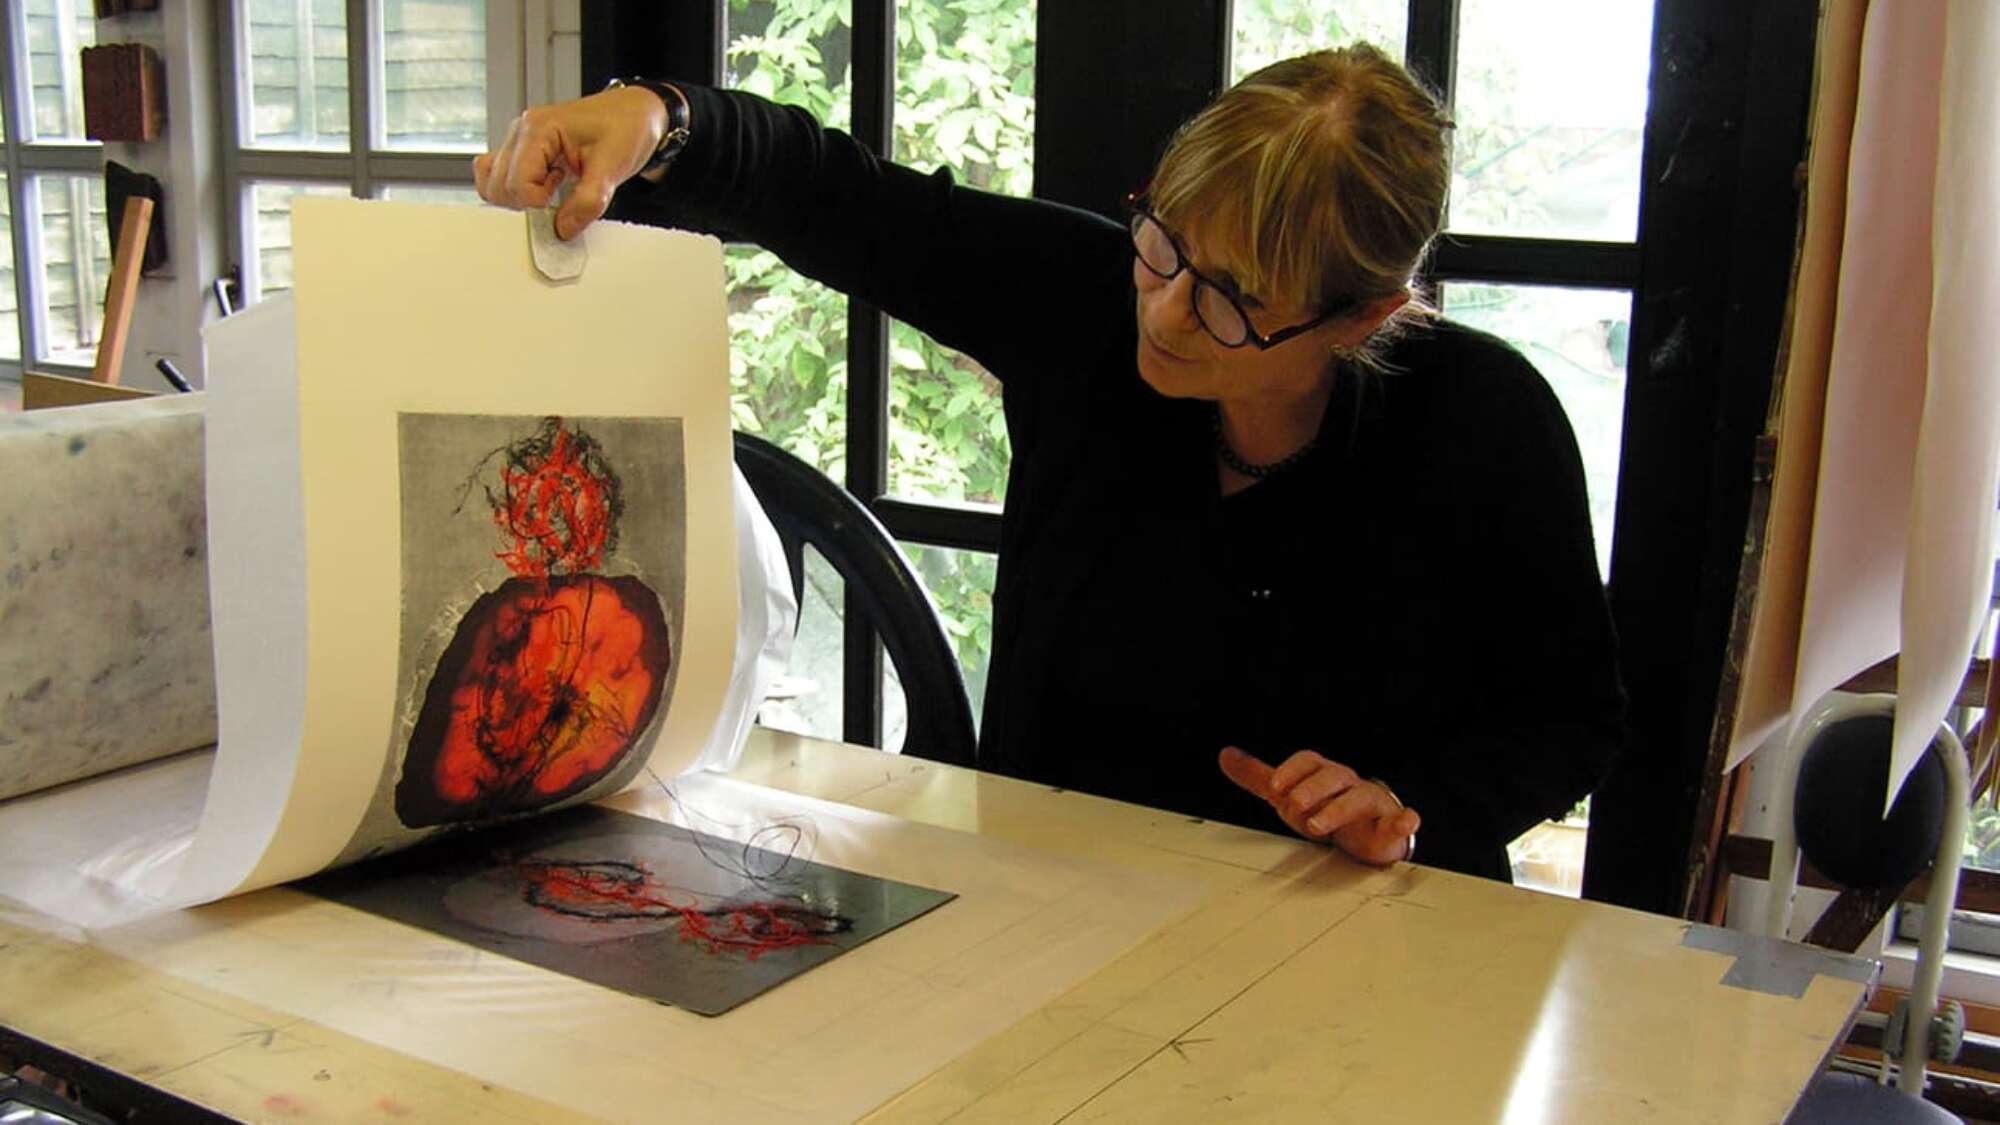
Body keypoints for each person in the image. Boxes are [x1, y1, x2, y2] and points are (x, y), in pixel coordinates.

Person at [474, 44, 1626, 882]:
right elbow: (840, 199)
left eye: (1233, 300)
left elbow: (1566, 718)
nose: (1166, 315)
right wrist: (658, 120)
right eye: (1164, 244)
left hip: (1331, 938)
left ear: (1361, 317)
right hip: (1046, 894)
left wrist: (1411, 809)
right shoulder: (1085, 302)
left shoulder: (1482, 423)